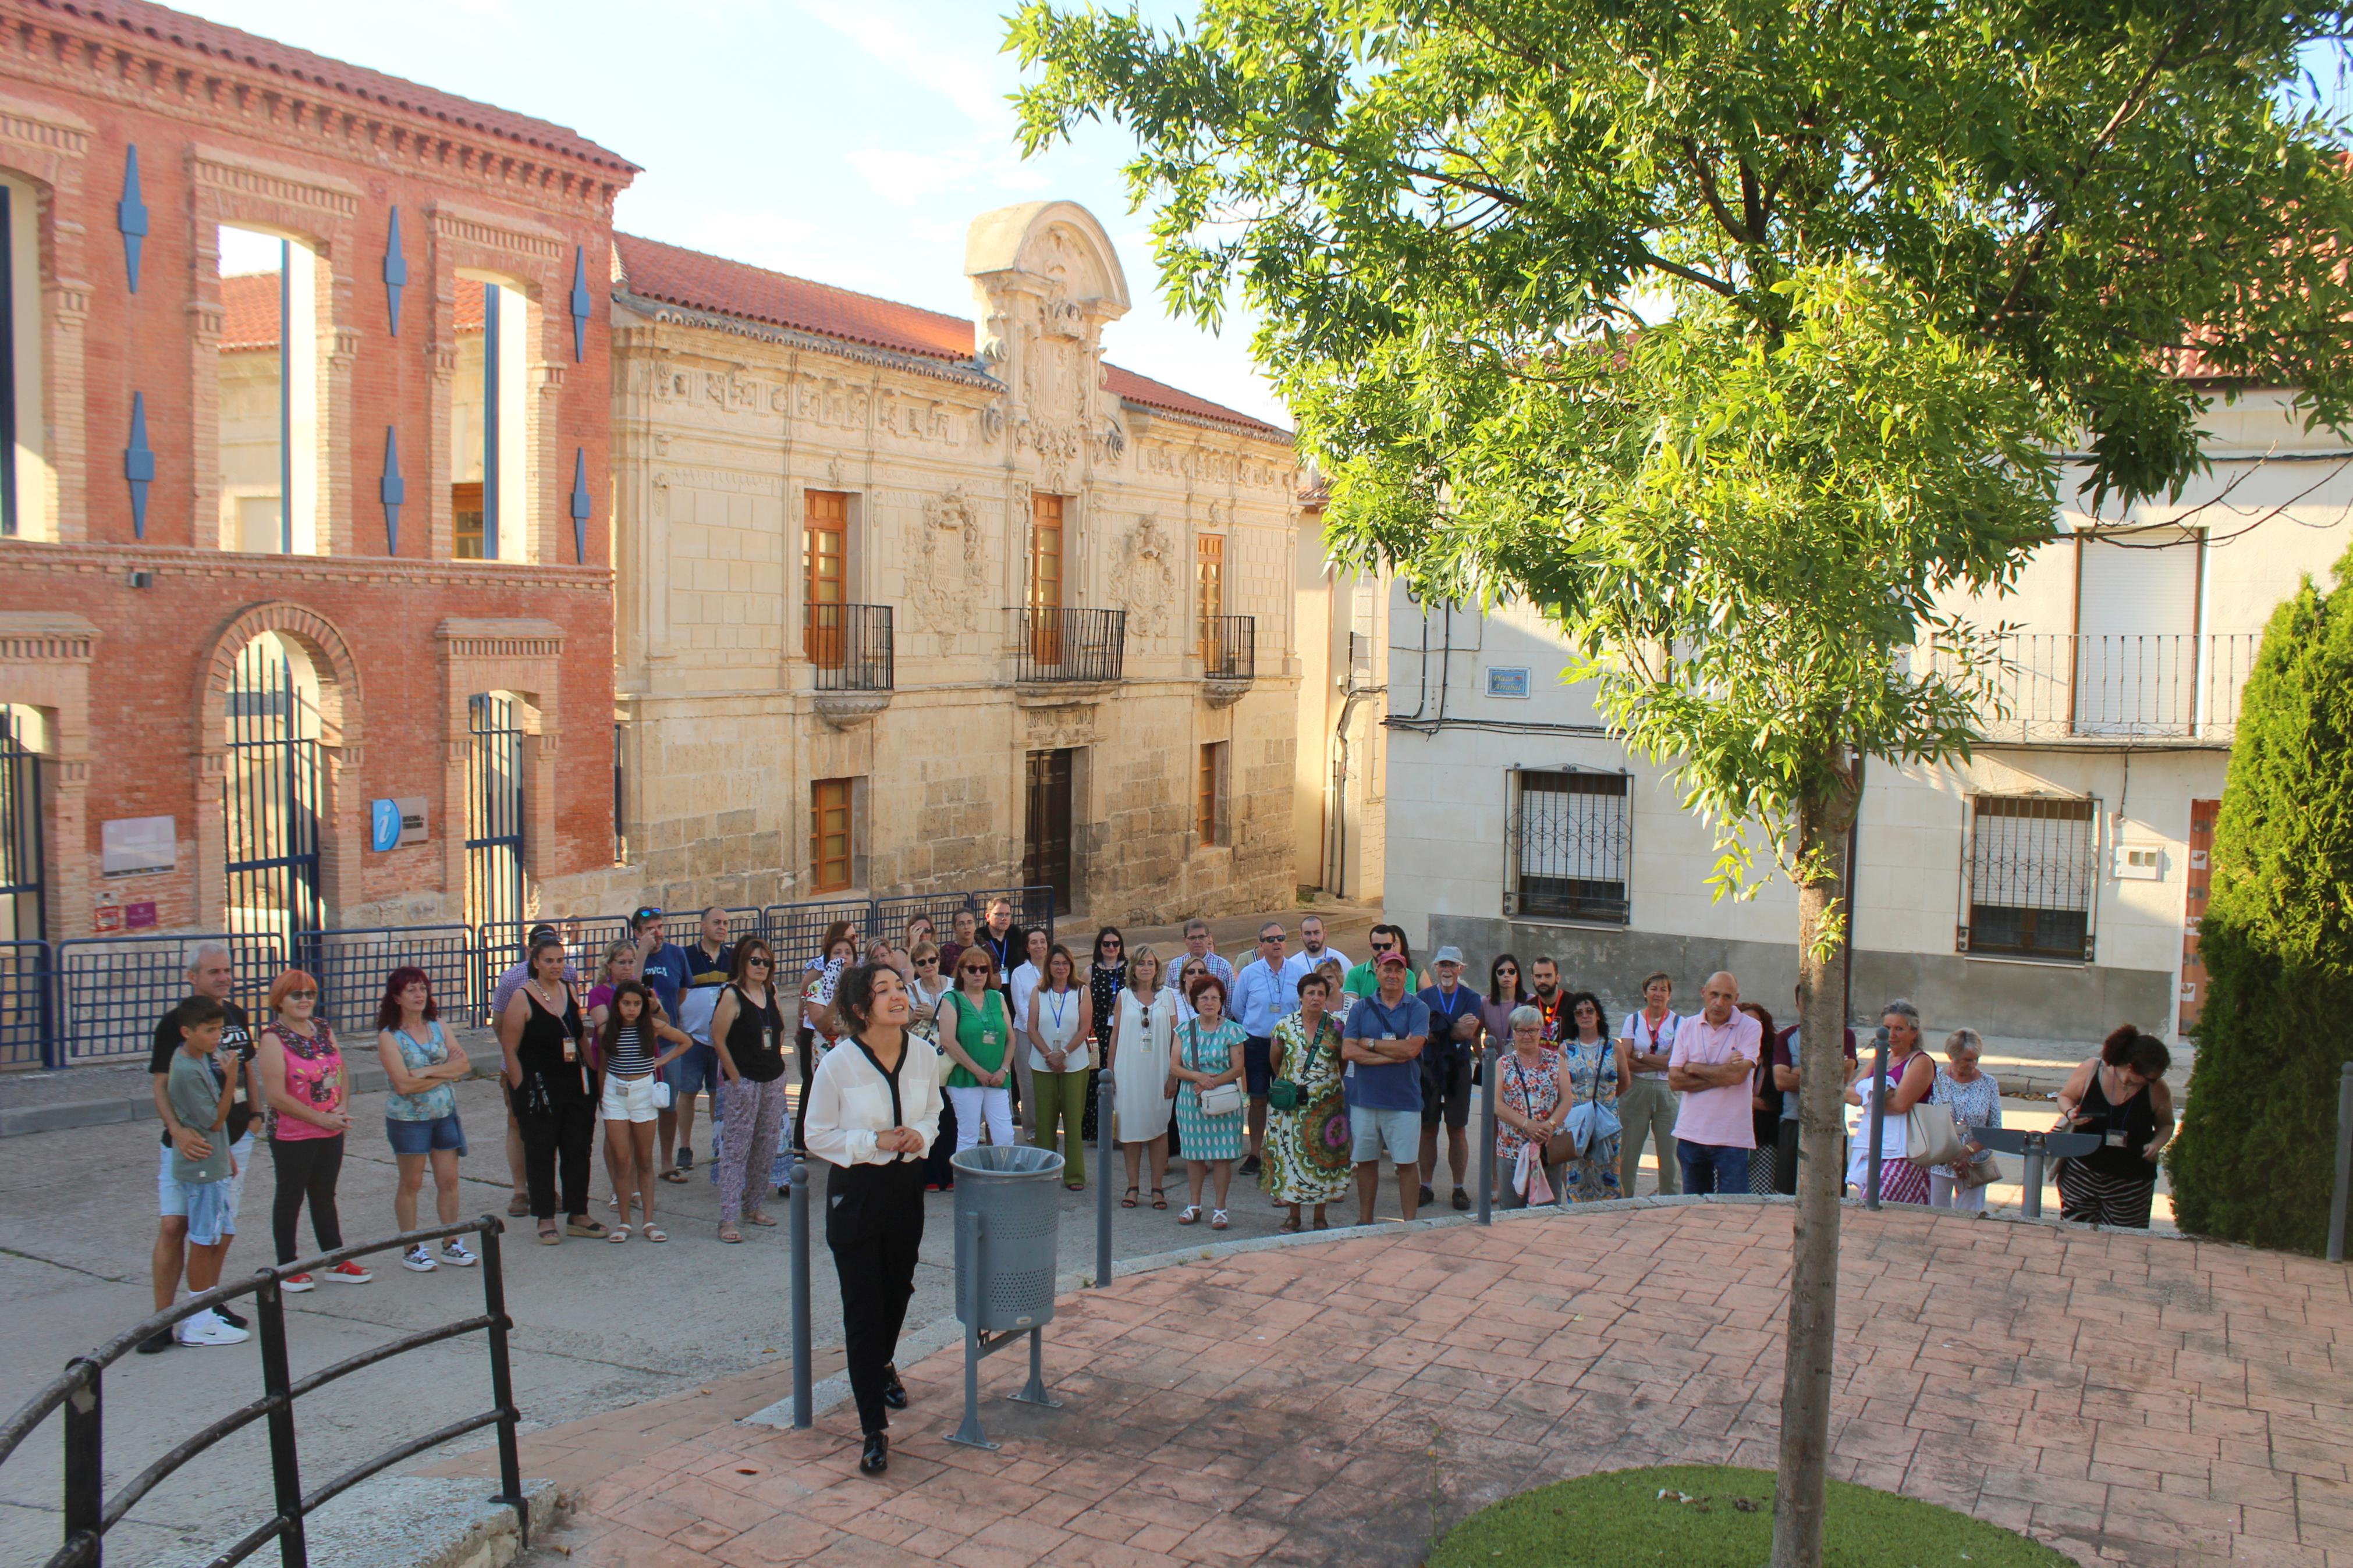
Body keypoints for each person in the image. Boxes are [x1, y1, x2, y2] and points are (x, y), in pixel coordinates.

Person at [803, 963, 942, 1477]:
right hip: (856, 1195)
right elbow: (816, 1135)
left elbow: (934, 1112)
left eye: (898, 987)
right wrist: (873, 1141)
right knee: (862, 1310)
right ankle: (872, 1428)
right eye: (882, 990)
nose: (897, 996)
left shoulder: (925, 1055)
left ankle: (881, 1361)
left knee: (898, 1289)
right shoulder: (838, 1064)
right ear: (861, 1008)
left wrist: (918, 1135)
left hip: (905, 1189)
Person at [142, 945, 257, 1355]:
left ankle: (206, 1303)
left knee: (220, 1227)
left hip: (235, 1136)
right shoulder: (177, 1023)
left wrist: (256, 1115)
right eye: (213, 971)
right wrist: (175, 1130)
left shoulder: (236, 1015)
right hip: (190, 1141)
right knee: (175, 1225)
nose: (223, 977)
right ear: (192, 976)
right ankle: (162, 1319)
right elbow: (160, 1082)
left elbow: (244, 1068)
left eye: (227, 970)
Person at [257, 969, 372, 1286]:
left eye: (310, 994)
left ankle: (334, 1258)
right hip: (293, 1133)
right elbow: (276, 1096)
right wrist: (320, 1118)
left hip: (331, 1126)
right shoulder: (272, 1038)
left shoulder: (322, 1029)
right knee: (290, 1196)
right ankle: (287, 1265)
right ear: (280, 1001)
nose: (305, 1000)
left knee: (324, 1194)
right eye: (297, 995)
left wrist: (342, 1108)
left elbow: (340, 1071)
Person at [499, 936, 600, 1246]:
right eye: (550, 961)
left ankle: (578, 1214)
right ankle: (545, 1217)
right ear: (536, 962)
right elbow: (509, 1047)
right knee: (541, 1152)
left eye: (560, 961)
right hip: (539, 1088)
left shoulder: (569, 991)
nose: (556, 966)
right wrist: (519, 1088)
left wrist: (594, 1074)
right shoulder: (522, 997)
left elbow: (580, 1036)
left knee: (578, 1148)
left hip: (574, 1083)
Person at [377, 966, 477, 1273]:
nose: (419, 995)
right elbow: (403, 1084)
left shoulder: (438, 1026)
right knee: (413, 1181)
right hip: (409, 1120)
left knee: (448, 1180)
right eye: (411, 990)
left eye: (422, 988)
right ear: (396, 997)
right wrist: (441, 1072)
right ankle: (411, 1247)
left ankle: (451, 1241)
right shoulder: (390, 1038)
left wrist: (423, 1072)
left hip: (444, 1115)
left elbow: (463, 1065)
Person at [162, 996, 247, 1345]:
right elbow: (214, 1118)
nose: (217, 1037)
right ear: (187, 1032)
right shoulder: (185, 1067)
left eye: (219, 1030)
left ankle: (207, 1309)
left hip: (215, 1161)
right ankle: (198, 1322)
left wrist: (226, 1154)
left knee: (222, 1232)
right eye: (209, 1031)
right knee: (203, 1238)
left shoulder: (201, 1058)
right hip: (201, 1168)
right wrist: (230, 1078)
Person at [597, 979, 694, 1243]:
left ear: (644, 1005)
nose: (631, 1009)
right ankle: (625, 1222)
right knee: (621, 1160)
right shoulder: (607, 1030)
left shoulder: (651, 1026)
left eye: (637, 1004)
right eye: (626, 1003)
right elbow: (603, 1065)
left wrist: (662, 1060)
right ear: (617, 1004)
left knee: (644, 1159)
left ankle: (649, 1220)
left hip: (643, 1092)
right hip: (615, 1093)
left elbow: (685, 1041)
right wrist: (602, 1097)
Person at [489, 922, 575, 1217]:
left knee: (552, 1131)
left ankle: (549, 1189)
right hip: (521, 1067)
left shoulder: (570, 975)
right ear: (532, 953)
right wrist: (517, 1066)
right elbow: (499, 1023)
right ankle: (520, 1191)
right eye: (545, 954)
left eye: (558, 956)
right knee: (518, 1125)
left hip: (557, 1068)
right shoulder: (512, 979)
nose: (554, 964)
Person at [711, 938, 792, 1244]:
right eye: (755, 961)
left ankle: (753, 1206)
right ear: (743, 962)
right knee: (736, 1148)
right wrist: (734, 1077)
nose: (761, 967)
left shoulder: (769, 991)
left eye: (766, 962)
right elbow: (717, 1037)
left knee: (766, 1145)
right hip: (744, 1080)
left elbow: (780, 1026)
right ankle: (728, 1217)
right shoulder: (732, 995)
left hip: (772, 1077)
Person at [2054, 1025, 2174, 1228]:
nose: (2153, 1082)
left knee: (2123, 1241)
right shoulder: (2092, 1070)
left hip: (2131, 1182)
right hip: (2082, 1173)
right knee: (2075, 1234)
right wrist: (2070, 1113)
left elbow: (2167, 1124)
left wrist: (2157, 1144)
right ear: (2131, 1068)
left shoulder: (2157, 1090)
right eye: (2150, 1078)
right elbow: (2065, 1097)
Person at [1343, 949, 1428, 1222]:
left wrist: (1369, 1043)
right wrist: (1393, 1054)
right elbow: (1347, 1051)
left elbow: (1412, 1050)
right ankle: (1365, 1219)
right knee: (1366, 1163)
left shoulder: (1418, 1008)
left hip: (1404, 1101)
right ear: (1377, 973)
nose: (1392, 975)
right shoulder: (1360, 1008)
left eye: (1398, 970)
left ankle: (1409, 1223)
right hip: (1365, 1100)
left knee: (1406, 1163)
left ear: (1406, 976)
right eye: (1387, 969)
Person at [1264, 970, 1351, 1231]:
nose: (1315, 998)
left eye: (1321, 993)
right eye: (1310, 993)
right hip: (1293, 1106)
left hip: (1327, 1107)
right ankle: (1294, 1216)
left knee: (1323, 1161)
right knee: (1291, 1157)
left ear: (1327, 997)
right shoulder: (1284, 1026)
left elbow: (1342, 1063)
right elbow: (1276, 1061)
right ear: (1300, 997)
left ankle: (1320, 1216)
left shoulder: (1337, 1027)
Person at [1665, 972, 1762, 1196]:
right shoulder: (1687, 1026)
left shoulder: (1750, 1027)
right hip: (1691, 1134)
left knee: (1733, 1212)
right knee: (1695, 1210)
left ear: (1736, 999)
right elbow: (1675, 1081)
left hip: (1732, 1137)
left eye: (1727, 997)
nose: (1720, 1003)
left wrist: (1693, 1067)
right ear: (1703, 993)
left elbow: (1737, 1077)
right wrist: (1723, 1071)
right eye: (1715, 995)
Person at [1170, 972, 1247, 1228]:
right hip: (1191, 1101)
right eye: (1204, 998)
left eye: (1214, 998)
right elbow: (1175, 1066)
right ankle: (1194, 1204)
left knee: (1222, 1156)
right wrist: (1197, 1077)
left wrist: (1212, 1082)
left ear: (1222, 1001)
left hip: (1223, 1099)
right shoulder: (1183, 1030)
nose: (1209, 1002)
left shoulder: (1234, 1031)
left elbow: (1238, 1068)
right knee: (1193, 1155)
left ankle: (1221, 1208)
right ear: (1195, 1001)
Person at [663, 907, 734, 1180]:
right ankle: (685, 1147)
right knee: (688, 1093)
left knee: (719, 1094)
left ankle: (720, 1144)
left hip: (723, 1040)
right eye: (716, 922)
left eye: (726, 923)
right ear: (702, 925)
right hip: (692, 1039)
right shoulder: (686, 957)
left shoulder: (732, 958)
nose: (722, 927)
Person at [1846, 1000, 1938, 1205]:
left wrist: (1867, 1096)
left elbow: (1900, 1105)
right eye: (1887, 1028)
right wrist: (1875, 1096)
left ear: (1914, 1033)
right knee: (1870, 1203)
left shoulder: (1920, 1061)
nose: (1892, 1035)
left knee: (1882, 1202)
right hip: (1875, 1144)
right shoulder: (1882, 1057)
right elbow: (1849, 1093)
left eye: (1899, 1029)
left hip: (1905, 1151)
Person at [1770, 987, 1859, 1196]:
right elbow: (1781, 1081)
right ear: (1797, 1006)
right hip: (1793, 1122)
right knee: (1787, 1193)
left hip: (1831, 1126)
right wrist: (1827, 1071)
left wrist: (1799, 1070)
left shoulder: (1845, 1036)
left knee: (1831, 1192)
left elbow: (1843, 1077)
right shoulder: (1786, 1037)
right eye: (1806, 1003)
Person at [1110, 944, 1178, 1209]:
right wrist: (1111, 1071)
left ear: (1157, 968)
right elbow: (1115, 1036)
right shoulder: (1123, 997)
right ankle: (1133, 1186)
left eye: (1150, 963)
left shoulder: (1168, 997)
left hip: (1159, 1070)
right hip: (1128, 1071)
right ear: (1133, 969)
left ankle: (1158, 1188)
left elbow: (1176, 1036)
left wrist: (1174, 1073)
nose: (1146, 968)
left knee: (1159, 1128)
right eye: (1141, 964)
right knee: (1130, 1130)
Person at [1416, 946, 1482, 1211]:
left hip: (1458, 1067)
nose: (1447, 970)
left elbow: (1468, 1032)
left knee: (1457, 1128)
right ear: (1435, 968)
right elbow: (1423, 1033)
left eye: (1452, 965)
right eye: (1443, 964)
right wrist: (1450, 1028)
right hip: (1429, 1067)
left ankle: (1458, 1188)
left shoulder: (1472, 997)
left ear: (1460, 969)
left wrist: (1440, 1026)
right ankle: (1426, 1186)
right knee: (1428, 1128)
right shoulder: (1422, 997)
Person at [1027, 943, 1094, 1190]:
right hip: (1042, 1062)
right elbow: (1032, 1027)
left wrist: (1063, 1053)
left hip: (1074, 1063)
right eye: (1056, 963)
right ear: (1049, 966)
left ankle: (1074, 1175)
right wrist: (1049, 1055)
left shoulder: (1081, 992)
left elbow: (1084, 1028)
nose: (1061, 967)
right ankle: (1046, 1173)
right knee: (1045, 1120)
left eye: (1065, 963)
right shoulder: (1038, 992)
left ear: (1071, 966)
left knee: (1073, 1119)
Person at [938, 945, 1015, 1156]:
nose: (978, 973)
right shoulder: (951, 999)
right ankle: (967, 1185)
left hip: (997, 1077)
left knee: (1005, 1135)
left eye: (983, 969)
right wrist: (977, 1071)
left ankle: (1002, 1181)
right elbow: (948, 1041)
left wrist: (1005, 1069)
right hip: (965, 1078)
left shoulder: (997, 998)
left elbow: (1011, 1038)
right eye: (972, 969)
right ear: (961, 971)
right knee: (969, 1135)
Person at [1230, 922, 1291, 1176]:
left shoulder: (1297, 972)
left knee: (1285, 1100)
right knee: (1257, 1100)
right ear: (1261, 945)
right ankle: (1255, 1153)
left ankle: (1282, 1151)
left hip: (1287, 1045)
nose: (1276, 943)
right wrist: (1255, 1028)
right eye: (1270, 939)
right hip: (1256, 1043)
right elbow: (1238, 1009)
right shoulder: (1249, 973)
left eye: (1281, 938)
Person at [1493, 1005, 1568, 1209]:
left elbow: (1567, 1100)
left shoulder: (1556, 1061)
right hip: (1512, 1149)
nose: (1527, 1036)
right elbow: (1496, 1104)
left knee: (1549, 1209)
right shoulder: (1503, 1064)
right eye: (1521, 1030)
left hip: (1548, 1145)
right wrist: (1527, 1125)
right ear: (1514, 1033)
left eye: (1532, 1030)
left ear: (1541, 1032)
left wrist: (1549, 1126)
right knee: (1510, 1209)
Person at [1556, 990, 1628, 1202]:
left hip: (1606, 1121)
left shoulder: (1614, 1047)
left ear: (1598, 1015)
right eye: (1579, 1013)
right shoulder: (1566, 1049)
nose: (1585, 1016)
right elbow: (1559, 1087)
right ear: (1574, 1019)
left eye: (1590, 1011)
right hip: (1576, 1122)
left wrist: (1607, 1103)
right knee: (1577, 1175)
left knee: (1609, 1174)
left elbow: (1625, 1082)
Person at [1616, 970, 1680, 1196]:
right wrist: (1659, 1063)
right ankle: (1624, 1200)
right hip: (1636, 1089)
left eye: (1664, 989)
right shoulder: (1632, 1020)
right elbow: (1624, 1060)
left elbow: (1676, 1063)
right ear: (1645, 993)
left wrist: (1640, 1056)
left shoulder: (1679, 1023)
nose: (1658, 994)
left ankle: (1670, 1202)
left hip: (1667, 1090)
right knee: (1629, 1152)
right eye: (1653, 989)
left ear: (1670, 995)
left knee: (1670, 1154)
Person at [1928, 1028, 2003, 1211]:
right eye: (1968, 1060)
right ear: (1952, 1056)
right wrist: (1952, 1154)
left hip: (1974, 1163)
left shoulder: (1989, 1083)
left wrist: (1967, 1151)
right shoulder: (1934, 1079)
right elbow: (1926, 1120)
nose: (1973, 1064)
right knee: (1936, 1215)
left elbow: (1995, 1129)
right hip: (1941, 1161)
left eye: (1976, 1058)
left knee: (1970, 1219)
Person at [907, 940, 959, 1192]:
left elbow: (961, 1018)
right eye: (922, 962)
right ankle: (929, 1174)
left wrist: (935, 1016)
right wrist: (913, 1017)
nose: (928, 965)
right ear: (915, 967)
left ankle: (948, 1173)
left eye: (932, 960)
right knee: (925, 1115)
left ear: (939, 960)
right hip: (921, 1061)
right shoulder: (910, 990)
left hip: (950, 1058)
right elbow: (900, 1024)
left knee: (949, 1117)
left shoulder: (952, 985)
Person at [1082, 926, 1127, 1147]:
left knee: (1123, 1078)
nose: (1111, 948)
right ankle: (1098, 1131)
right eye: (1106, 944)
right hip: (1098, 1031)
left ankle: (1123, 1131)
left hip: (1124, 1030)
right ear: (1099, 947)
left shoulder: (1130, 969)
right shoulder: (1089, 972)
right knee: (1097, 1080)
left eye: (1115, 944)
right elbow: (1083, 1004)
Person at [1008, 927, 1052, 1136]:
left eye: (1042, 941)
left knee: (1051, 1083)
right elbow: (1021, 1007)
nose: (1039, 946)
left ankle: (1051, 1128)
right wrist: (1035, 1032)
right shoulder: (1019, 973)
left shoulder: (1056, 968)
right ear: (1027, 947)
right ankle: (1033, 1130)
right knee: (1029, 1084)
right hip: (1026, 1033)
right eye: (1034, 942)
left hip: (1054, 1032)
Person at [1738, 1002, 1779, 1193]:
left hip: (1764, 1139)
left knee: (1760, 1195)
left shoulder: (1773, 1059)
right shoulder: (1730, 1054)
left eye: (1757, 1023)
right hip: (1731, 1138)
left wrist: (1738, 1099)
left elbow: (1774, 1102)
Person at [1278, 915, 1349, 991]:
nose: (1313, 938)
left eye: (1317, 933)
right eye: (1308, 934)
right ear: (1301, 935)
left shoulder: (1342, 962)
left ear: (1325, 933)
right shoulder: (1291, 965)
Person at [1343, 924, 1408, 1000]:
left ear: (1394, 946)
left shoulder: (1407, 975)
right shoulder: (1355, 974)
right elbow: (1351, 1007)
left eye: (1387, 946)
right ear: (1370, 946)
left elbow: (1407, 1007)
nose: (1382, 950)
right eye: (1377, 946)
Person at [1481, 955, 1531, 1050]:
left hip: (1523, 1062)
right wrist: (1484, 1061)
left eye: (1511, 971)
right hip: (1495, 1063)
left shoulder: (1530, 1001)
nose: (1506, 975)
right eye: (1501, 972)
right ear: (1495, 976)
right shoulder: (1485, 1003)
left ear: (1517, 977)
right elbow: (1475, 1035)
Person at [1179, 918, 1237, 993]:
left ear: (1209, 937)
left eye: (1201, 937)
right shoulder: (1175, 966)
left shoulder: (1224, 967)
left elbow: (1231, 1001)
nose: (1197, 942)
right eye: (1192, 938)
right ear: (1184, 940)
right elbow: (1168, 999)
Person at [1527, 957, 1568, 1043]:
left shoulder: (1573, 1004)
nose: (1543, 981)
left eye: (1548, 976)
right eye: (1538, 976)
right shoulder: (1528, 1009)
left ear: (1558, 978)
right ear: (1532, 979)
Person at [938, 908, 979, 979]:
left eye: (970, 922)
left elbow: (997, 983)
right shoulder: (947, 950)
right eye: (961, 924)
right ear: (954, 929)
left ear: (975, 925)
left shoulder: (984, 947)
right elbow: (942, 981)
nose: (966, 927)